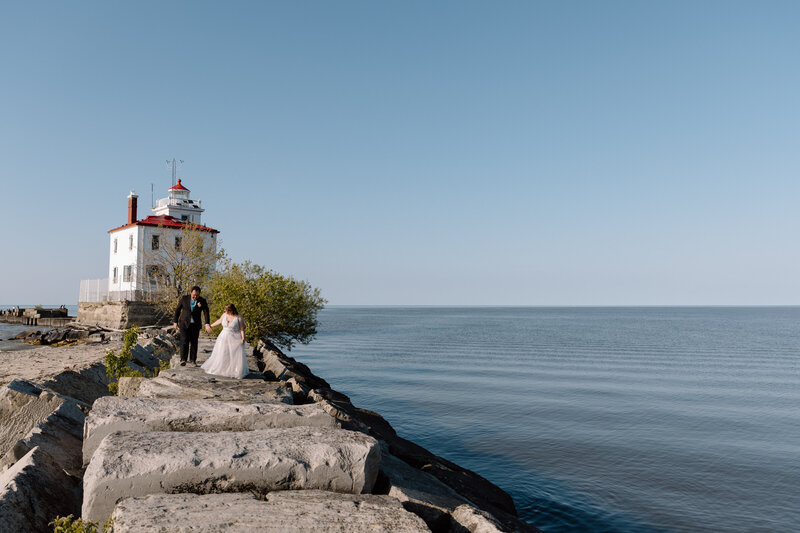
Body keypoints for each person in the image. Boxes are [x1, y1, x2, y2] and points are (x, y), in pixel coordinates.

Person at [201, 303, 248, 379]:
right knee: (222, 352)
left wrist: (243, 338)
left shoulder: (238, 317)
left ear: (230, 310)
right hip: (223, 337)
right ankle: (221, 368)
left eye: (226, 310)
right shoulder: (224, 315)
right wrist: (211, 326)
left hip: (234, 338)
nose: (224, 311)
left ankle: (232, 370)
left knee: (232, 354)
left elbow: (242, 329)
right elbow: (219, 321)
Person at [173, 285, 212, 367]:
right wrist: (175, 322)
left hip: (195, 325)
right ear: (191, 292)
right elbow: (177, 310)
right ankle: (183, 359)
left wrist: (207, 324)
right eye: (194, 295)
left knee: (194, 342)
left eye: (197, 295)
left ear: (199, 294)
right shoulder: (184, 298)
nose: (195, 297)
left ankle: (193, 360)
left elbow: (206, 312)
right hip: (184, 323)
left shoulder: (202, 301)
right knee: (184, 341)